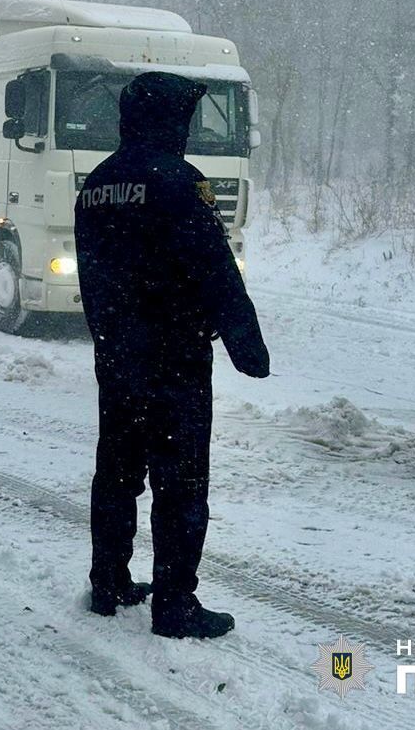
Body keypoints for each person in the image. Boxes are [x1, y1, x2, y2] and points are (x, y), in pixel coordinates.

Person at [74, 70, 270, 639]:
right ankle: (175, 604)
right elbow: (214, 270)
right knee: (180, 484)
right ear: (169, 121)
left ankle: (108, 582)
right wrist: (246, 343)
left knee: (116, 473)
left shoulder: (99, 182)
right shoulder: (179, 182)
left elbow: (93, 272)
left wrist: (109, 334)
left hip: (116, 356)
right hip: (174, 360)